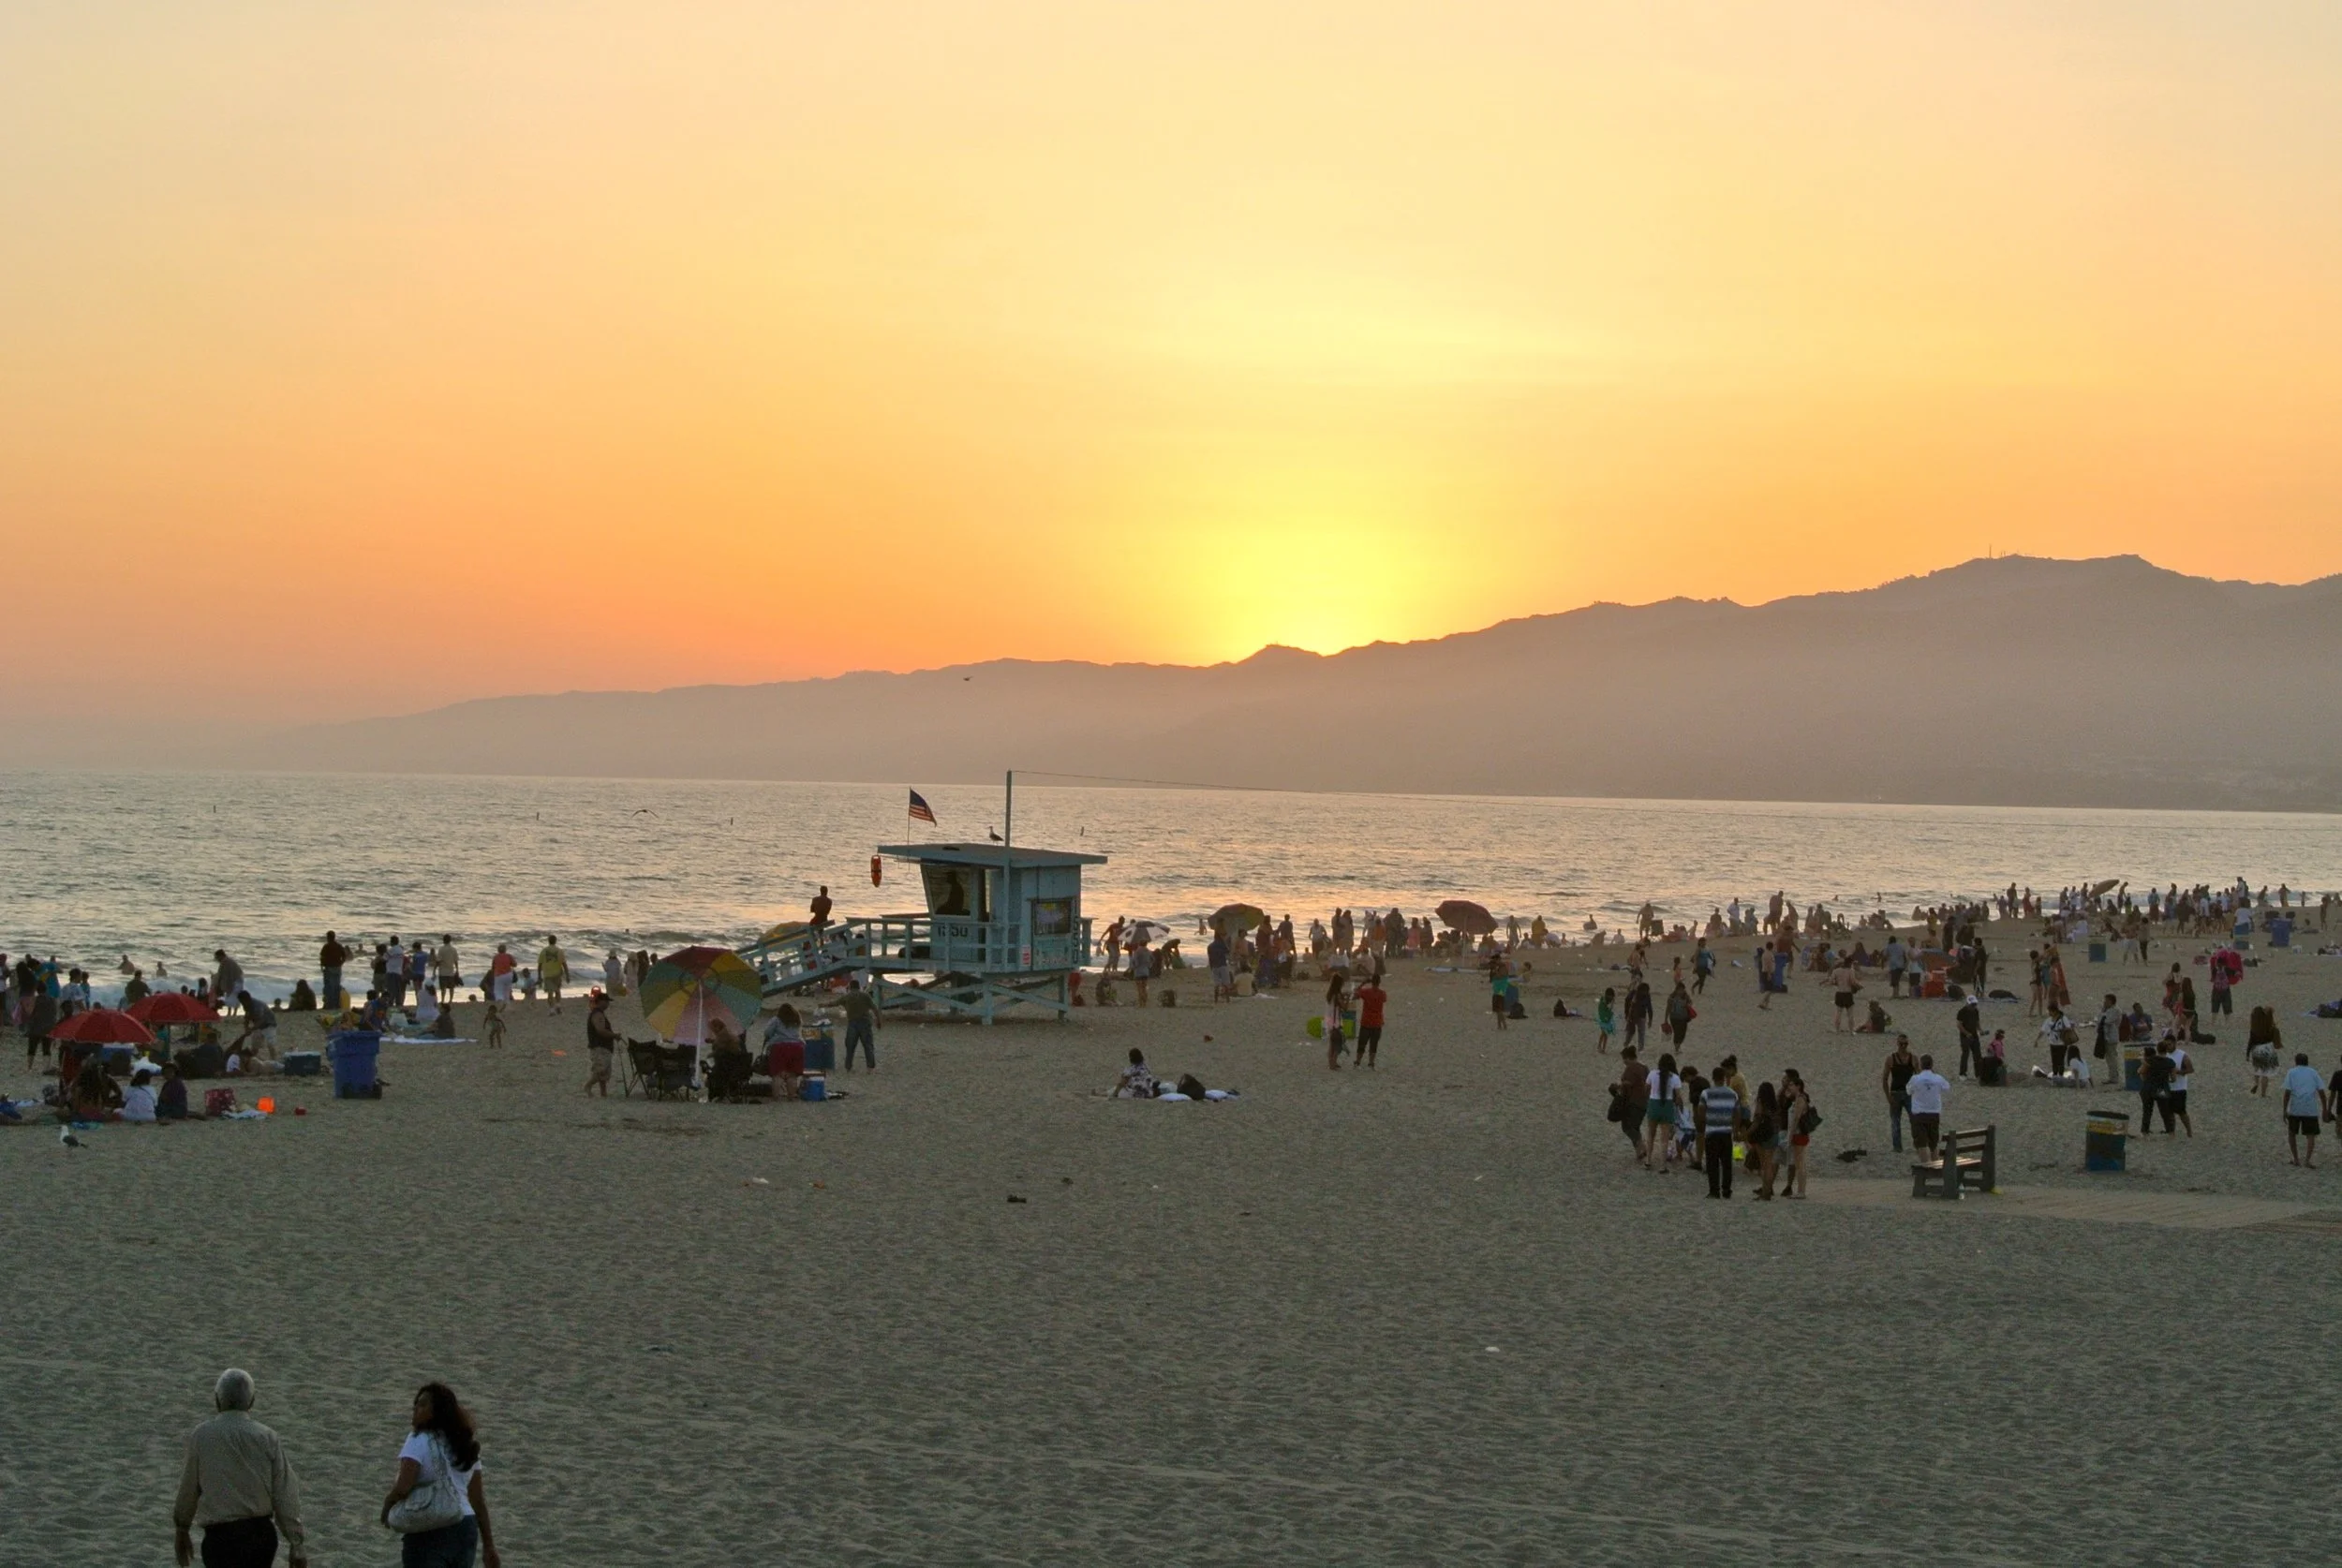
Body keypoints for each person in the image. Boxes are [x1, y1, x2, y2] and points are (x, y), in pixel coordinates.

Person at [172, 1368, 307, 1568]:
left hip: (220, 1539)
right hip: (260, 1536)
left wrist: (182, 1528)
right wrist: (296, 1544)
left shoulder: (202, 1436)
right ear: (251, 1401)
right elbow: (285, 1493)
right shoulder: (267, 1437)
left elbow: (189, 1488)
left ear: (217, 1400)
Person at [381, 1381, 499, 1568]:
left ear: (438, 1411)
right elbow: (477, 1500)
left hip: (432, 1525)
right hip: (465, 1527)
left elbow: (404, 1487)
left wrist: (388, 1504)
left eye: (422, 1404)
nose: (415, 1408)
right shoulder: (465, 1444)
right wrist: (489, 1545)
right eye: (415, 1404)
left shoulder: (418, 1439)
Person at [1697, 1069, 1741, 1199]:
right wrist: (1735, 1130)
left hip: (1712, 1132)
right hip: (1726, 1132)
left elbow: (1701, 1112)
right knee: (1727, 1163)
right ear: (1724, 1078)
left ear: (1713, 1078)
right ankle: (1726, 1190)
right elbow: (1737, 1113)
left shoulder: (1706, 1093)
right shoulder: (1732, 1094)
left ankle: (1714, 1191)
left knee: (1712, 1163)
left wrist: (1706, 1123)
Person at [2282, 1053, 2326, 1167]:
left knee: (2292, 1133)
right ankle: (2307, 1160)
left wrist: (2284, 1109)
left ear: (2296, 1062)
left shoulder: (2291, 1072)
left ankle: (2296, 1159)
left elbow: (2287, 1093)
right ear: (2307, 1062)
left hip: (2296, 1108)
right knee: (2311, 1135)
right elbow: (2321, 1091)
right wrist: (2325, 1108)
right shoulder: (2313, 1072)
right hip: (2310, 1108)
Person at [1642, 1052, 1682, 1172]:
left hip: (1653, 1104)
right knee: (1664, 1138)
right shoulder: (1674, 1078)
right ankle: (1663, 1166)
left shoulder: (1652, 1074)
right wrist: (1677, 1105)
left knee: (1651, 1134)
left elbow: (1646, 1089)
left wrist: (1648, 1100)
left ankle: (1648, 1160)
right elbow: (1678, 1097)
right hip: (1667, 1106)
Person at [1905, 1054, 1950, 1161]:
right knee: (1933, 1143)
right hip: (1933, 1113)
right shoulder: (1938, 1078)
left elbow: (1908, 1091)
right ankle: (1935, 1164)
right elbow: (1947, 1087)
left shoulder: (1916, 1079)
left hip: (1919, 1115)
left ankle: (1926, 1165)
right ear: (1932, 1065)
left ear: (1920, 1065)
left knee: (1921, 1144)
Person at [1780, 1069, 1815, 1198]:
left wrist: (1790, 1136)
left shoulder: (1800, 1099)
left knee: (1800, 1163)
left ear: (1798, 1086)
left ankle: (1801, 1191)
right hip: (1798, 1134)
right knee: (1800, 1162)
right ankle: (1800, 1190)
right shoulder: (1797, 1098)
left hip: (1799, 1134)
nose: (1789, 1087)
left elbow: (1796, 1118)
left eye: (1792, 1085)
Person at [1882, 1036, 1918, 1154]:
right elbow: (1885, 1079)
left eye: (1905, 1044)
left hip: (1909, 1094)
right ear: (1897, 1044)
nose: (1903, 1046)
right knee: (1895, 1122)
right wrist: (1888, 1096)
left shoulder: (1913, 1058)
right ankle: (1897, 1147)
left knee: (1915, 1120)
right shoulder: (1891, 1059)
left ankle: (1918, 1144)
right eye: (1901, 1044)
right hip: (1895, 1093)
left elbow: (1919, 1078)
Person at [837, 979, 877, 1072]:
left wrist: (822, 1005)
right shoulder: (865, 995)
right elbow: (874, 1008)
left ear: (850, 987)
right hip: (865, 1022)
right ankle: (870, 1067)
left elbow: (835, 1003)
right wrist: (878, 1021)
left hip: (852, 1023)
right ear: (859, 987)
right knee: (868, 1045)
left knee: (850, 1046)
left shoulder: (847, 996)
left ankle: (848, 1066)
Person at [583, 992, 616, 1096]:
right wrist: (614, 1035)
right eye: (606, 1002)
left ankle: (603, 1092)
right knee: (600, 1070)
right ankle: (588, 1085)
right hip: (599, 1046)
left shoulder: (599, 1013)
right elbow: (600, 1030)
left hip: (604, 1046)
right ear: (601, 1001)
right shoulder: (597, 1014)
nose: (608, 1004)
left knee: (604, 1072)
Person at [1354, 973, 1386, 1069]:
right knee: (1374, 1045)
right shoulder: (1382, 994)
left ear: (1371, 982)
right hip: (1377, 1022)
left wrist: (1363, 983)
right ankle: (1371, 1063)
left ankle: (1358, 1061)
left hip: (1366, 1022)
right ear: (1379, 982)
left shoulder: (1366, 992)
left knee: (1362, 1044)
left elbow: (1356, 993)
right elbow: (1384, 1000)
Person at [319, 932, 349, 1011]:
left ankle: (329, 1005)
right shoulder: (339, 946)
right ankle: (336, 1004)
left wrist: (322, 966)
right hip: (337, 968)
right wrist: (340, 964)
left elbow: (322, 957)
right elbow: (344, 956)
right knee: (336, 986)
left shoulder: (327, 946)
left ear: (328, 937)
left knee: (328, 986)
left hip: (329, 968)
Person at [538, 938, 567, 1013]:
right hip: (557, 974)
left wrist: (539, 976)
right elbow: (564, 964)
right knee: (557, 990)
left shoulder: (543, 951)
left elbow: (539, 965)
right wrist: (567, 975)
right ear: (555, 941)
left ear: (548, 941)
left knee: (550, 993)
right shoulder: (559, 951)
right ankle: (558, 1005)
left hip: (547, 974)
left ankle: (552, 1009)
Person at [1830, 958, 1859, 1032]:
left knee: (1839, 1012)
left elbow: (1831, 981)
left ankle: (1837, 1029)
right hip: (1848, 993)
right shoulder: (1851, 971)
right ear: (1849, 963)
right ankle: (1851, 1030)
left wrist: (1837, 983)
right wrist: (1858, 986)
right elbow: (1852, 982)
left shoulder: (1836, 971)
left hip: (1839, 992)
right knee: (1850, 1013)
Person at [1663, 981, 1695, 1049]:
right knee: (1677, 1033)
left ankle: (1678, 1044)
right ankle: (1676, 1047)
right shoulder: (1672, 997)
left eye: (1682, 990)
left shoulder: (1685, 996)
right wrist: (1666, 1019)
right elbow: (1668, 1008)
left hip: (1684, 1018)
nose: (1681, 991)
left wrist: (1687, 1005)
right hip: (1674, 1018)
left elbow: (1690, 1002)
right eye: (1679, 990)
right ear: (1676, 990)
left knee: (1683, 1033)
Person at [1208, 931, 1233, 1002]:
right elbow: (1228, 953)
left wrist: (1211, 967)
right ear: (1220, 936)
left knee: (1216, 984)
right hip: (1222, 965)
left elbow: (1210, 958)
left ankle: (1216, 1000)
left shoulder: (1210, 946)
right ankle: (1227, 999)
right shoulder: (1222, 944)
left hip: (1214, 966)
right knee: (1226, 984)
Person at [1594, 987, 1615, 1054]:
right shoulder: (1603, 1002)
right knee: (1604, 1033)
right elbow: (1607, 1010)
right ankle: (1599, 1046)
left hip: (1605, 1019)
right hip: (1603, 1019)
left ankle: (1603, 1048)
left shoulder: (1604, 1001)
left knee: (1605, 1034)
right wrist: (1612, 1004)